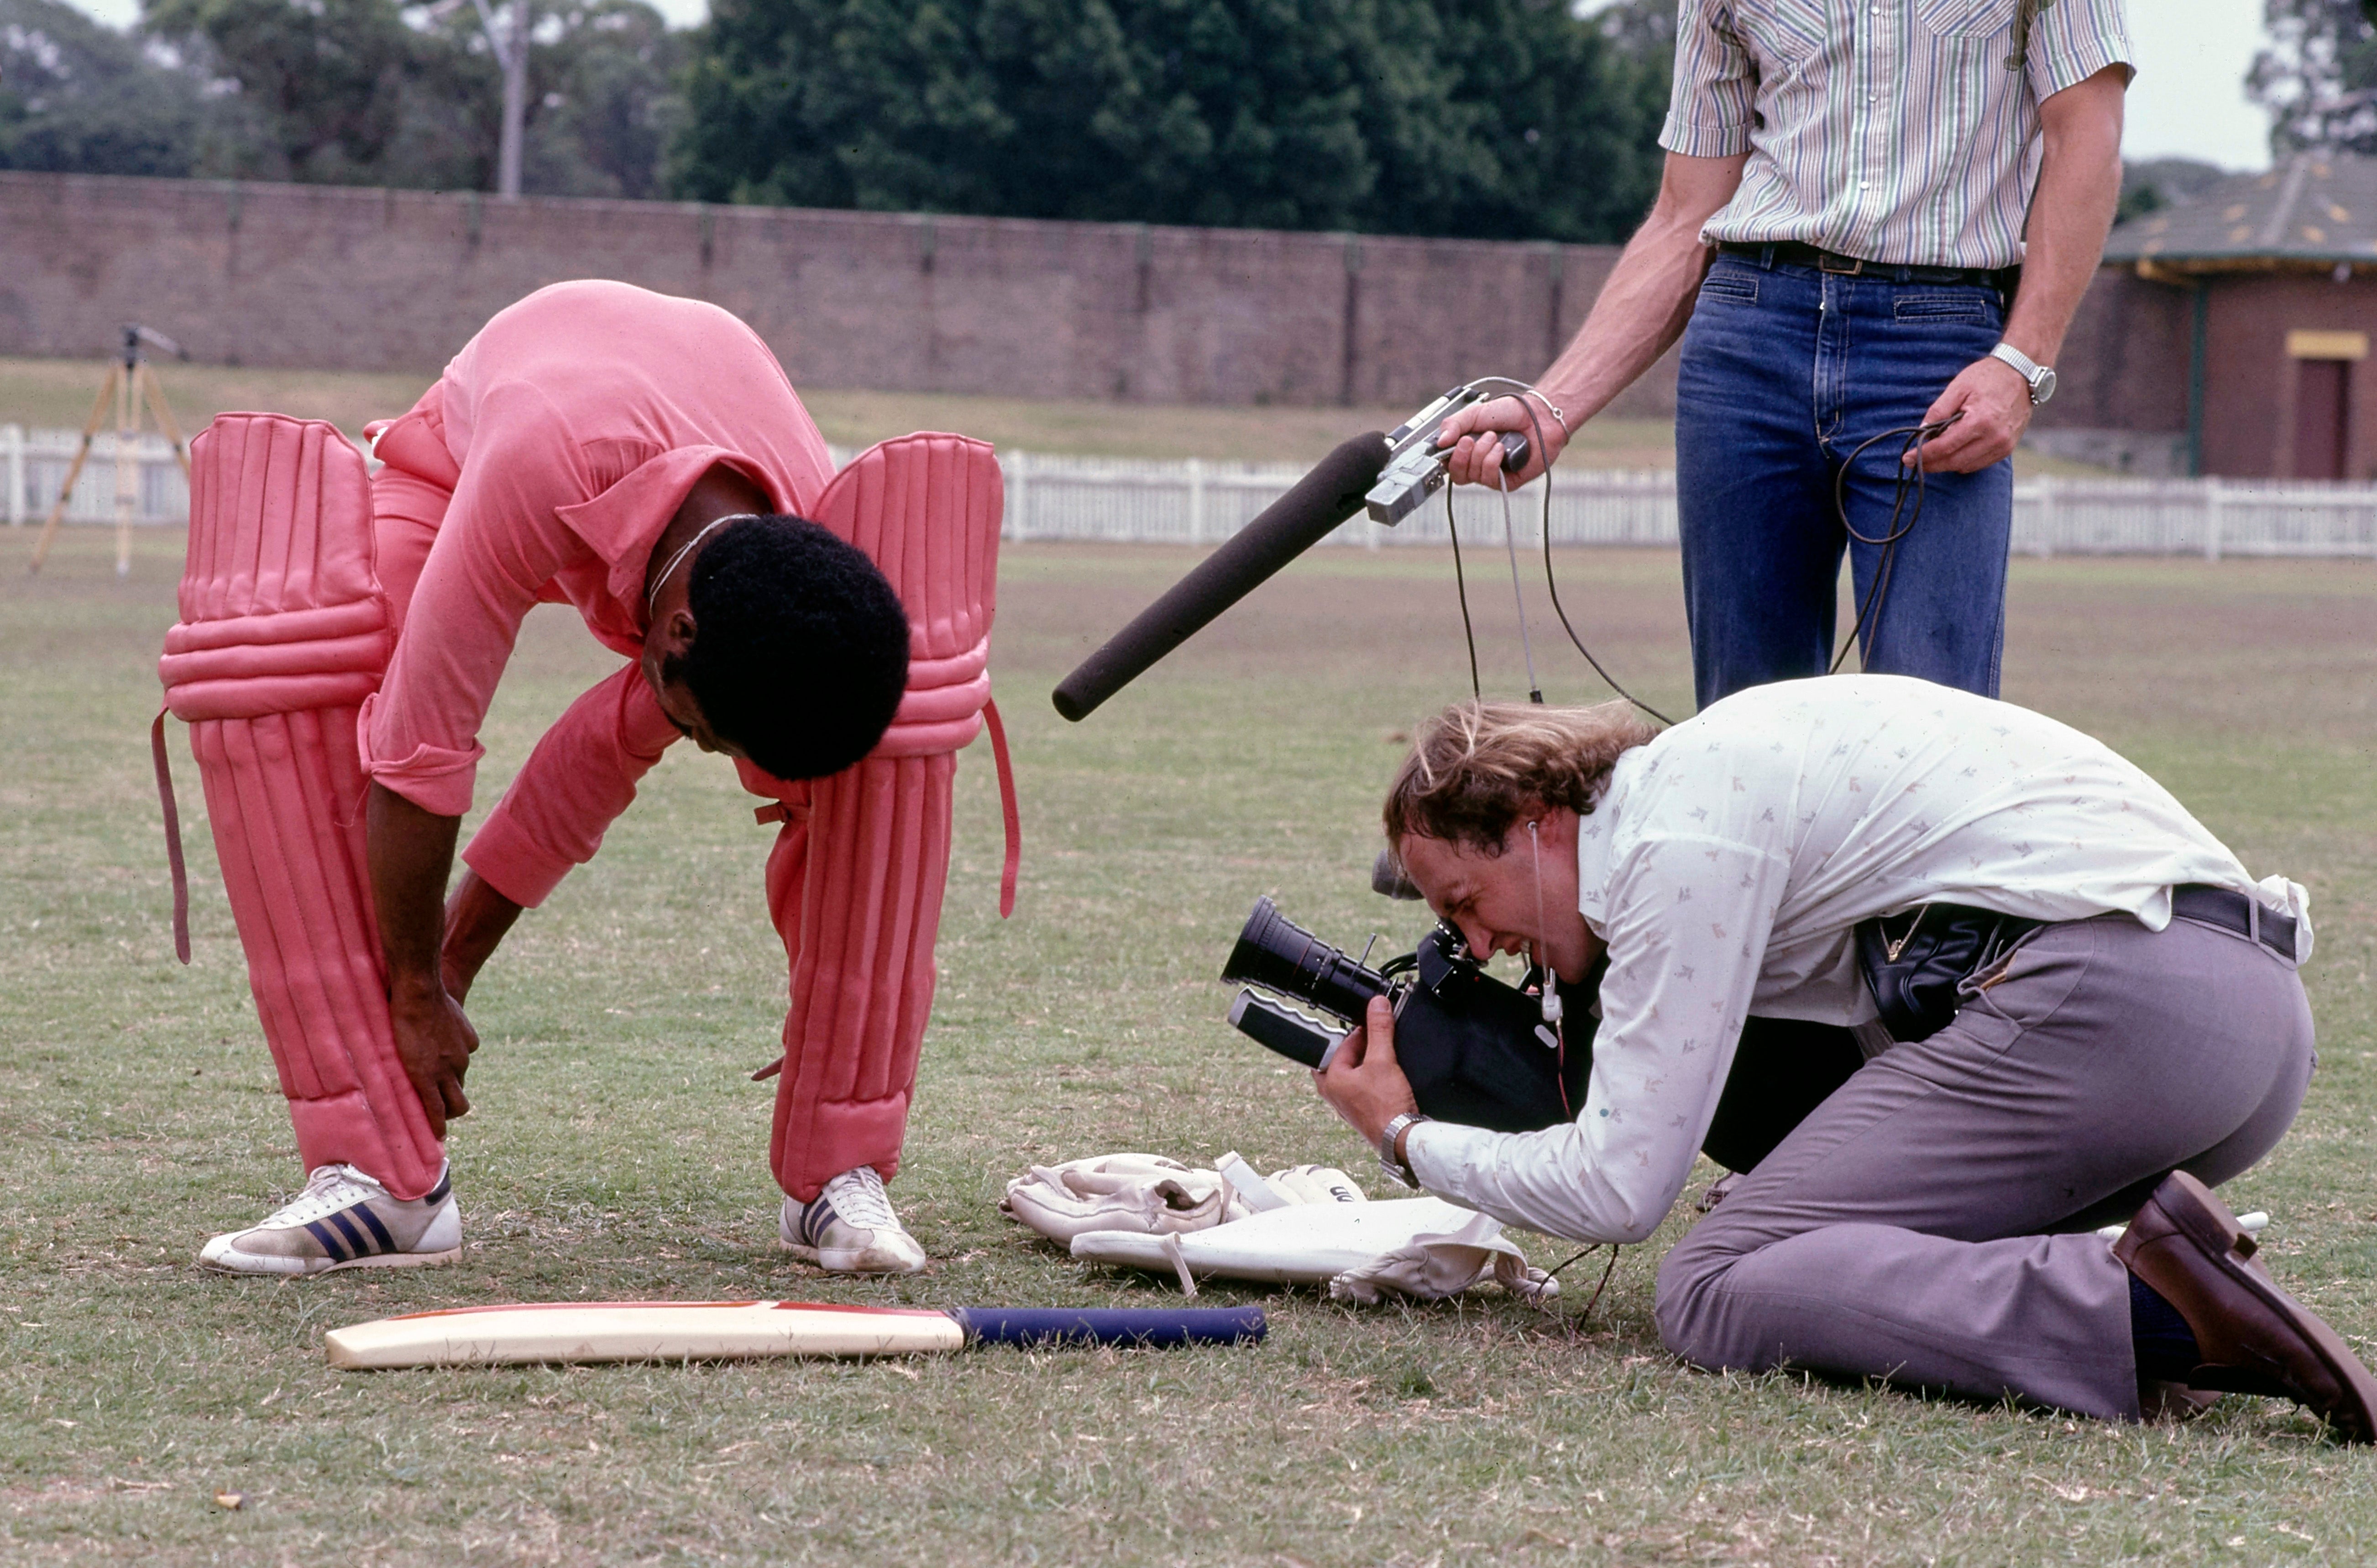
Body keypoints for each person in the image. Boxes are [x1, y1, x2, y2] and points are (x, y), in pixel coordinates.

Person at [1315, 678, 2377, 1435]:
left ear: (1538, 819)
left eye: (1467, 901)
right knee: (1779, 1242)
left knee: (1711, 1285)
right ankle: (2166, 1289)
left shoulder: (1669, 841)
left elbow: (1620, 1187)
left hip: (2120, 1004)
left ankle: (2154, 1312)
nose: (1483, 942)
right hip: (2246, 1024)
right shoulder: (1712, 765)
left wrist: (1406, 1137)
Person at [191, 280, 953, 1277]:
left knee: (866, 762)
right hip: (486, 443)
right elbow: (422, 754)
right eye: (711, 738)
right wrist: (419, 990)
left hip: (675, 419)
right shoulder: (533, 469)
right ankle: (382, 1180)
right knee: (330, 677)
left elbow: (604, 747)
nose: (710, 756)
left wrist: (834, 1015)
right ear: (676, 631)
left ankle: (835, 1168)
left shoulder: (803, 547)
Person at [1434, 1, 2131, 711]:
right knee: (1746, 719)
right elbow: (1685, 214)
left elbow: (2088, 139)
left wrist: (2022, 362)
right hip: (1748, 335)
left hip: (1937, 346)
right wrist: (1553, 407)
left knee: (1936, 719)